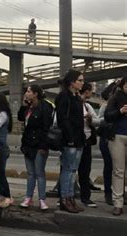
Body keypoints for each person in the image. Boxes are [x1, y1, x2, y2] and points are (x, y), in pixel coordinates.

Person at [17, 85, 53, 210]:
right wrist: (24, 104)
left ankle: (42, 199)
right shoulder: (28, 107)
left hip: (39, 144)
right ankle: (28, 197)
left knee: (39, 173)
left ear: (35, 94)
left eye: (28, 91)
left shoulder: (45, 107)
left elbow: (46, 127)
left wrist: (44, 145)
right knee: (31, 173)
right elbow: (20, 117)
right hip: (28, 144)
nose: (26, 93)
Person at [55, 69, 85, 213]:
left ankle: (71, 198)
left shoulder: (77, 97)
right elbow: (63, 119)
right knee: (67, 170)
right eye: (80, 80)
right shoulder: (64, 96)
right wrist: (70, 137)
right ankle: (64, 199)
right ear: (72, 82)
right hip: (70, 140)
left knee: (73, 170)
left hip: (79, 139)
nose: (82, 83)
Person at [104, 76, 127, 216]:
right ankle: (118, 203)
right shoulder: (115, 97)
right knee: (118, 171)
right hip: (117, 136)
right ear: (122, 85)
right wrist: (120, 111)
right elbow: (107, 116)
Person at [77, 82, 100, 208]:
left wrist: (90, 120)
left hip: (86, 141)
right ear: (86, 91)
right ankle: (65, 197)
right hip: (74, 141)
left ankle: (85, 197)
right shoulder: (72, 103)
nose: (92, 94)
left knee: (85, 171)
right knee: (69, 170)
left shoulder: (87, 106)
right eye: (91, 91)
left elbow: (97, 121)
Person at [97, 82, 117, 206]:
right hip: (106, 138)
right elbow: (99, 120)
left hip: (118, 138)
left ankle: (118, 192)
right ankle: (108, 192)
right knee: (109, 165)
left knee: (119, 169)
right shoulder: (106, 106)